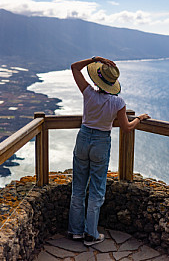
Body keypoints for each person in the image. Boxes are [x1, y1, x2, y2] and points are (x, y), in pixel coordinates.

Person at [68, 56, 150, 247]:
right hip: (100, 143)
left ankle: (75, 231)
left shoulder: (88, 92)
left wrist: (95, 59)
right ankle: (90, 235)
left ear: (98, 79)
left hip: (83, 139)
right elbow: (127, 128)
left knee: (78, 189)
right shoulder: (118, 102)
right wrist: (139, 118)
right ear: (112, 83)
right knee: (96, 190)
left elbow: (74, 67)